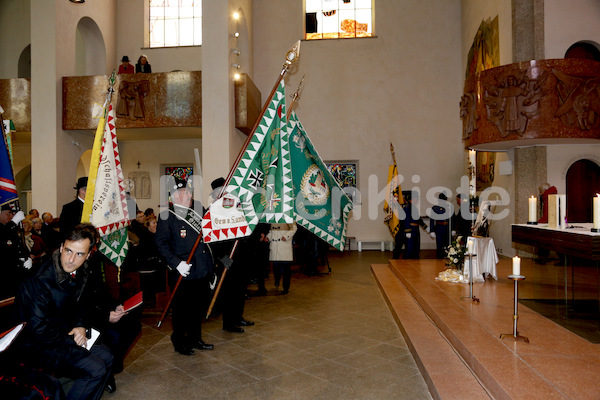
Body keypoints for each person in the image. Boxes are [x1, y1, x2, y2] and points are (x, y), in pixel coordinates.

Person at [14, 223, 114, 400]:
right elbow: (37, 330)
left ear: (89, 255)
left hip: (61, 336)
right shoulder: (38, 281)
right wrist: (72, 338)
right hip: (38, 346)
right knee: (96, 368)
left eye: (79, 254)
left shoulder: (81, 270)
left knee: (107, 356)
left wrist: (81, 325)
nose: (71, 259)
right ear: (61, 247)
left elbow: (82, 303)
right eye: (68, 251)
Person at [155, 176, 215, 355]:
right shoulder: (167, 216)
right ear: (174, 197)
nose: (189, 195)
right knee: (181, 310)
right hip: (183, 271)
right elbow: (161, 244)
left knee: (197, 308)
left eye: (189, 192)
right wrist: (176, 263)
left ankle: (196, 338)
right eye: (184, 193)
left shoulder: (197, 211)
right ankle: (179, 341)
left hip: (201, 269)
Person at [0, 203, 31, 298]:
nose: (11, 216)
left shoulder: (10, 230)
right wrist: (13, 223)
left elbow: (18, 247)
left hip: (16, 274)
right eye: (8, 214)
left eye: (12, 214)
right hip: (4, 277)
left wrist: (26, 258)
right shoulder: (6, 229)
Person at [268, 222, 297, 294]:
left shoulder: (288, 215)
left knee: (286, 268)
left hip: (284, 245)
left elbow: (294, 228)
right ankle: (277, 280)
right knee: (276, 266)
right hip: (275, 245)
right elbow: (271, 231)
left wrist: (286, 236)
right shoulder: (273, 216)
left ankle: (286, 287)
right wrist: (268, 237)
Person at [402, 191, 431, 259]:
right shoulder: (407, 208)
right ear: (411, 199)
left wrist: (425, 227)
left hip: (415, 230)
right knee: (409, 248)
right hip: (411, 230)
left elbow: (419, 219)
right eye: (416, 198)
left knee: (416, 247)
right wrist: (407, 231)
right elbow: (406, 220)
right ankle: (406, 263)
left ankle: (415, 263)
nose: (417, 200)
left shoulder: (414, 208)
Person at [430, 193, 451, 259]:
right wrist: (432, 230)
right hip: (439, 228)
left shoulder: (449, 207)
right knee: (439, 246)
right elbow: (432, 220)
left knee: (448, 245)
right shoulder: (435, 208)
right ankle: (439, 259)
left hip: (447, 228)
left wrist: (453, 229)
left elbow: (452, 219)